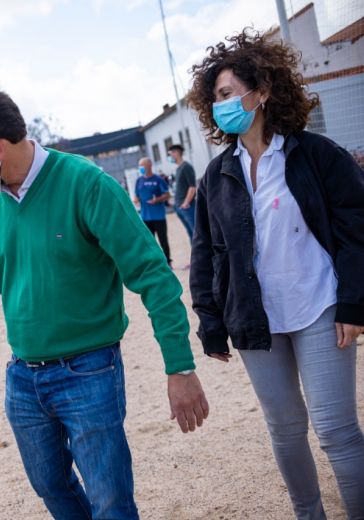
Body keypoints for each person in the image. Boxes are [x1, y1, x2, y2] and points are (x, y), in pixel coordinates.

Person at [0, 82, 208, 519]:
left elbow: (154, 277)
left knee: (111, 501)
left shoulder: (86, 184)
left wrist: (180, 367)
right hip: (23, 376)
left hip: (90, 371)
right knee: (51, 485)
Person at [187, 30, 364, 519]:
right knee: (284, 429)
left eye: (228, 94)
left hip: (319, 309)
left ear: (261, 91)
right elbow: (206, 254)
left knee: (335, 430)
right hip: (255, 322)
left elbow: (357, 230)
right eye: (216, 98)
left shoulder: (316, 155)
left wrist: (353, 301)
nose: (222, 105)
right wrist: (211, 321)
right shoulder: (217, 175)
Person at [133, 157, 172, 266]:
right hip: (145, 217)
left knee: (163, 240)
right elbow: (136, 195)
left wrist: (157, 199)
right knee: (149, 242)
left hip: (159, 216)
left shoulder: (158, 179)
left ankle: (168, 262)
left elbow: (167, 194)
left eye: (142, 166)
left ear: (149, 166)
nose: (140, 168)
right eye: (139, 166)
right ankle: (155, 263)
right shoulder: (139, 180)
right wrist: (136, 199)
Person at [168, 144, 197, 245]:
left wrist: (185, 203)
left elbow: (192, 187)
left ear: (176, 153)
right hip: (179, 206)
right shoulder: (178, 168)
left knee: (196, 233)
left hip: (187, 207)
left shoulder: (186, 167)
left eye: (170, 154)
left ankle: (203, 259)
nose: (169, 157)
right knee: (190, 233)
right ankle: (196, 258)